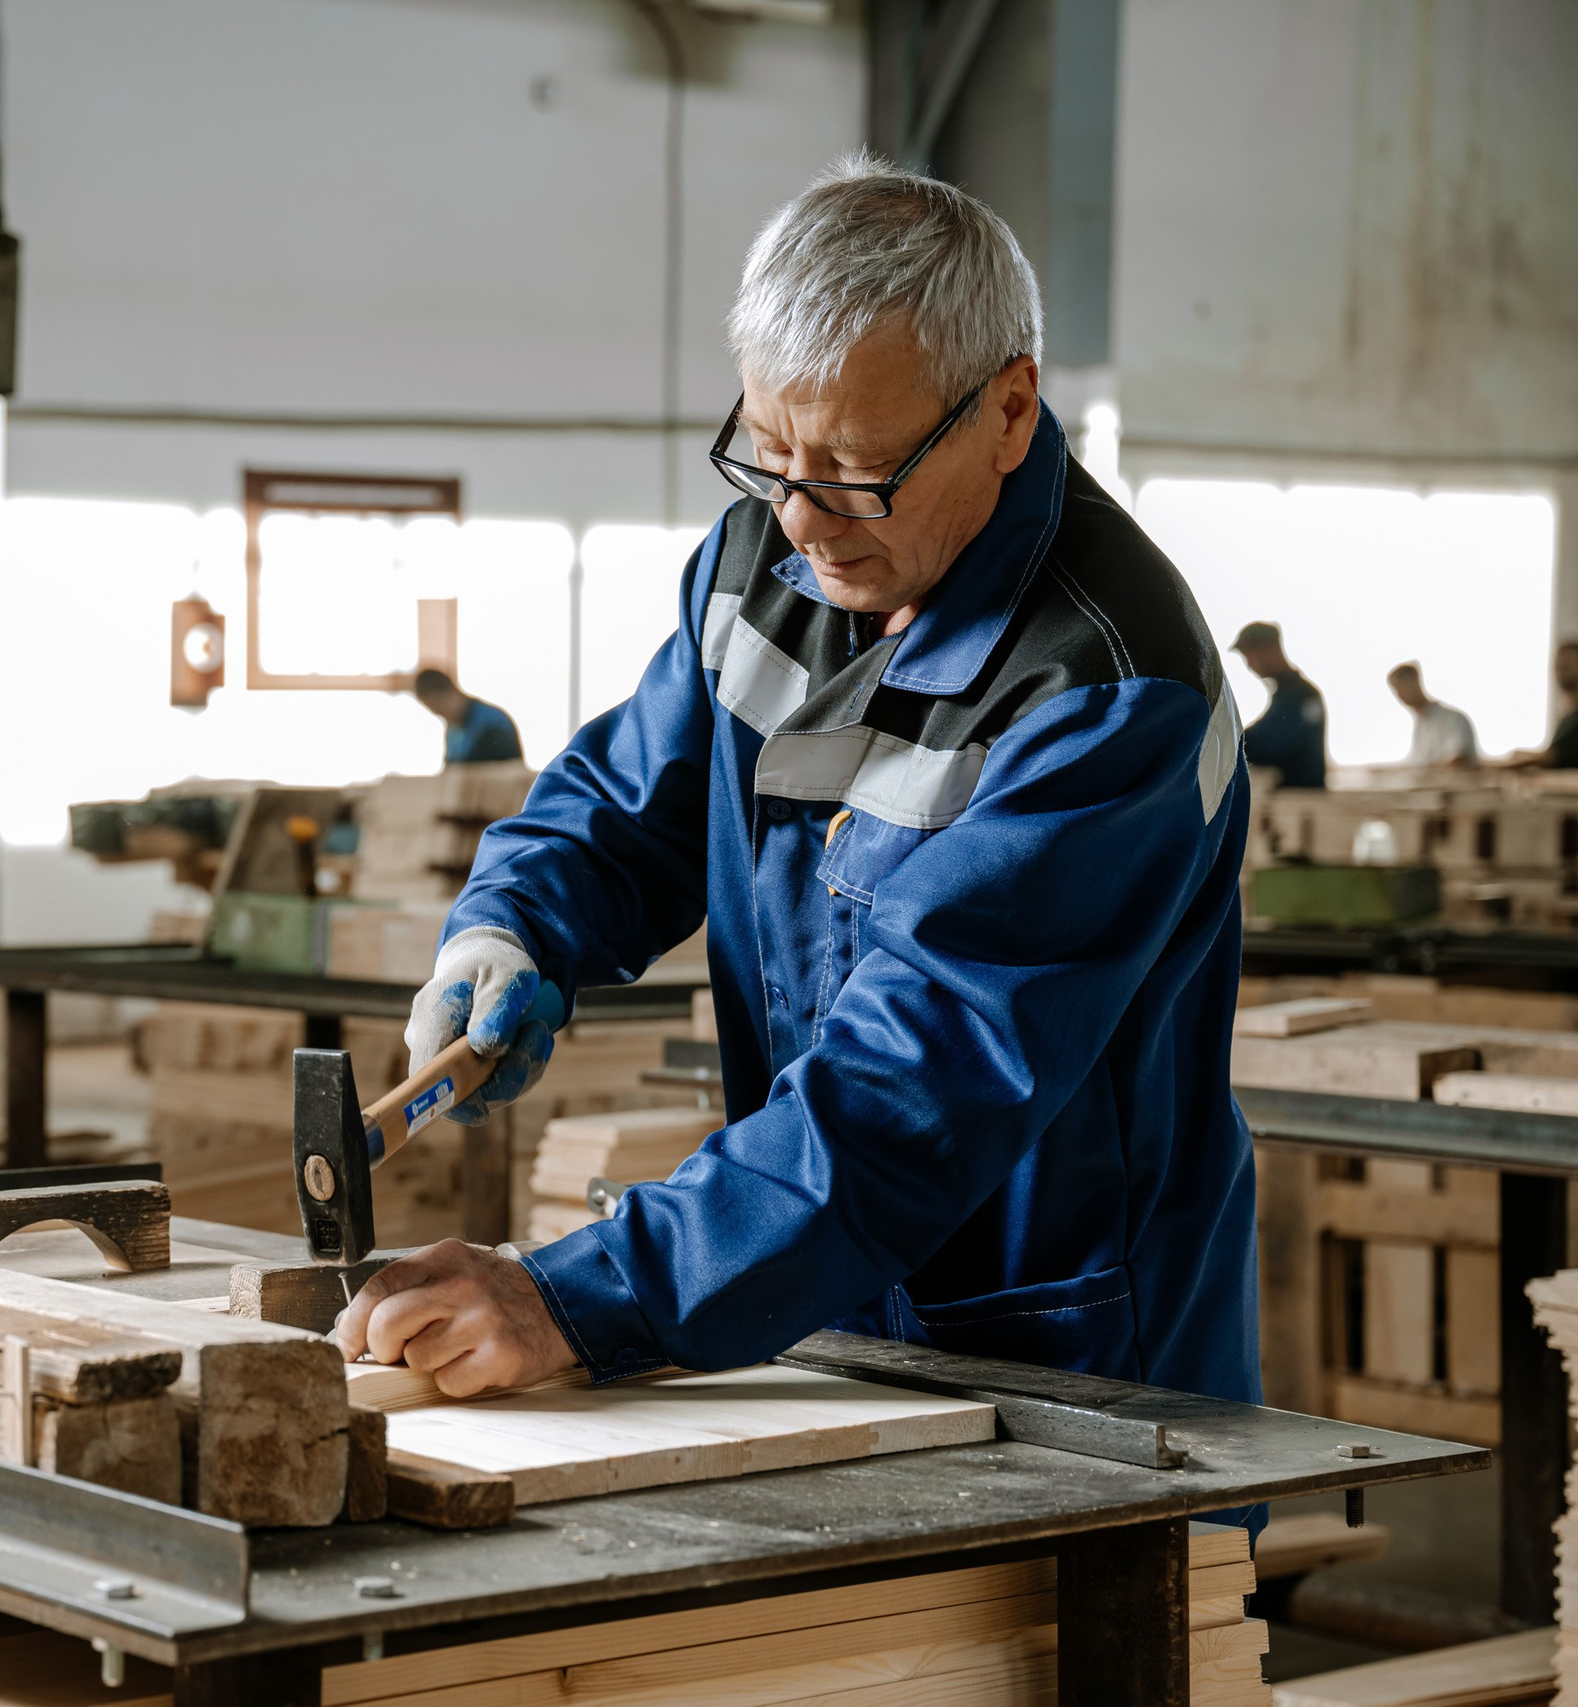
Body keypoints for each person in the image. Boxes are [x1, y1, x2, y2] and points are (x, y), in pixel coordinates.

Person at [332, 157, 1258, 1441]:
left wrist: (585, 1298)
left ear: (1007, 409)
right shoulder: (762, 566)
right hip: (803, 1298)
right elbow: (624, 804)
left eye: (860, 470)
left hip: (1065, 1354)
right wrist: (510, 927)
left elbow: (917, 1080)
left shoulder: (1105, 690)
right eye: (770, 454)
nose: (807, 526)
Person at [1230, 623, 1327, 789]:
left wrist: (1230, 746)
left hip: (1302, 800)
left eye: (1249, 656)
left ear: (1270, 649)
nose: (1249, 665)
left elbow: (1273, 742)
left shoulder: (1304, 696)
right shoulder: (1287, 694)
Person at [412, 668, 524, 765]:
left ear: (449, 693)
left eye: (439, 707)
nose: (441, 714)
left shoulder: (492, 721)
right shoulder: (452, 730)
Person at [1388, 662, 1479, 770]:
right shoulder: (1421, 724)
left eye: (1401, 689)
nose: (1400, 697)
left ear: (1415, 683)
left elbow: (1459, 760)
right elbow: (1417, 763)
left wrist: (1426, 770)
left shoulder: (1452, 719)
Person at [1504, 642, 1578, 770]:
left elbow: (1551, 757)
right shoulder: (1566, 718)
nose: (1560, 669)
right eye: (1557, 664)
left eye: (1568, 663)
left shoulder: (1574, 720)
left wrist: (1495, 766)